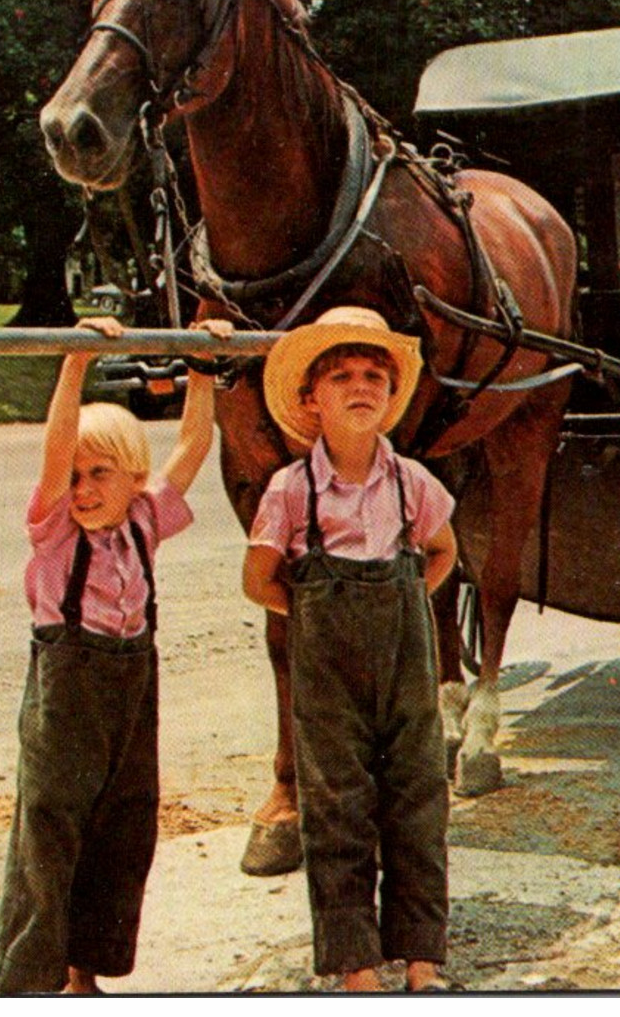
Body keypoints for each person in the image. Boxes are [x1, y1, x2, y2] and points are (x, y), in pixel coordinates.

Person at [0, 314, 234, 994]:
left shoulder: (145, 521)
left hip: (131, 684)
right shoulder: (55, 531)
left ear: (133, 477)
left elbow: (192, 444)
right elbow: (57, 447)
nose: (84, 489)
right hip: (67, 688)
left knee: (123, 825)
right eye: (74, 477)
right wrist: (74, 363)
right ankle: (27, 981)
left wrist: (202, 369)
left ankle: (83, 973)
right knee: (52, 826)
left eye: (100, 474)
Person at [242, 306, 459, 992]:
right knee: (336, 807)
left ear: (392, 396)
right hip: (327, 672)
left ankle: (422, 960)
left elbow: (443, 552)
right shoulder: (290, 489)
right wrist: (313, 612)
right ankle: (355, 967)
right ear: (311, 399)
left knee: (417, 798)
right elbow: (259, 581)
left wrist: (400, 605)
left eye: (374, 375)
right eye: (341, 376)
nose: (360, 386)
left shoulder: (412, 484)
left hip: (403, 663)